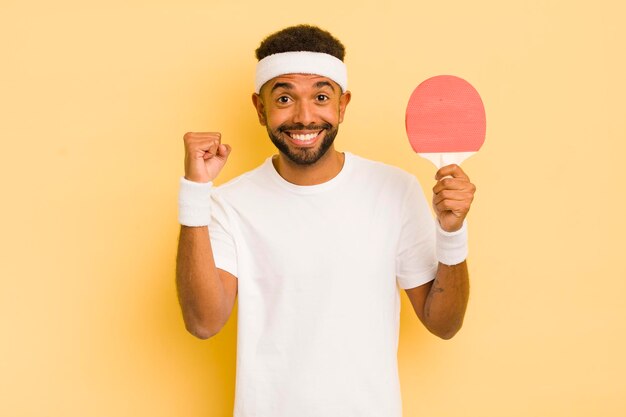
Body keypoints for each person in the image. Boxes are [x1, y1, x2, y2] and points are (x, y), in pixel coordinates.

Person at [176, 24, 476, 417]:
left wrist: (452, 234)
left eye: (320, 96)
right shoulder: (228, 204)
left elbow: (444, 323)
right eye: (284, 97)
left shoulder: (395, 190)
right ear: (260, 107)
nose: (304, 117)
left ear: (343, 105)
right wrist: (195, 193)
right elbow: (203, 322)